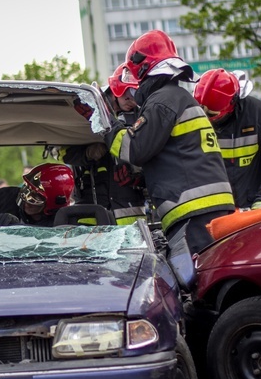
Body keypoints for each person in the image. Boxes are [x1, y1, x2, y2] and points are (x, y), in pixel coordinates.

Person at [92, 30, 234, 255]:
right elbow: (176, 154)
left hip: (193, 212)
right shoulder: (179, 98)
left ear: (142, 66)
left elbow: (133, 148)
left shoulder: (162, 101)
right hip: (208, 208)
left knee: (194, 281)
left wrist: (105, 120)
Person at [193, 68, 261, 209]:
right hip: (217, 207)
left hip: (254, 203)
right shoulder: (196, 115)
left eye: (212, 114)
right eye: (202, 111)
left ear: (231, 105)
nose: (206, 119)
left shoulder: (259, 114)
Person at [66, 63, 147, 225]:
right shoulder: (88, 106)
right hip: (91, 210)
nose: (132, 100)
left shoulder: (142, 115)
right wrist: (88, 154)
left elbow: (147, 153)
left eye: (135, 94)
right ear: (117, 88)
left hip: (130, 213)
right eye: (127, 94)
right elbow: (62, 151)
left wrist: (138, 175)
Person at [0, 163, 74, 227]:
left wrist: (17, 228)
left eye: (36, 196)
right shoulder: (3, 197)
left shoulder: (64, 223)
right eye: (27, 189)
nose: (27, 200)